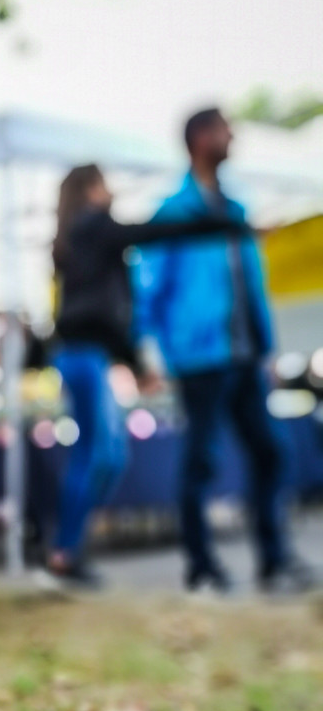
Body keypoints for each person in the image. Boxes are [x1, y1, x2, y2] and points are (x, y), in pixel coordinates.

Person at [135, 108, 312, 592]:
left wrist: (267, 348)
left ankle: (274, 561)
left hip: (247, 356)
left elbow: (250, 282)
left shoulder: (235, 208)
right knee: (202, 462)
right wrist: (151, 354)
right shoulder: (174, 212)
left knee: (272, 452)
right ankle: (203, 569)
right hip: (201, 359)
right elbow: (147, 288)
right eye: (224, 128)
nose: (233, 135)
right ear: (200, 138)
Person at [50, 164, 247, 586]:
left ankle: (69, 544)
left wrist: (134, 363)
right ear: (90, 189)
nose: (111, 191)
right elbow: (151, 234)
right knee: (98, 454)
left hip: (88, 356)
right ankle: (66, 550)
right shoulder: (95, 227)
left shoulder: (74, 239)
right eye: (104, 183)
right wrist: (223, 222)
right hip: (84, 356)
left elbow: (95, 311)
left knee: (107, 453)